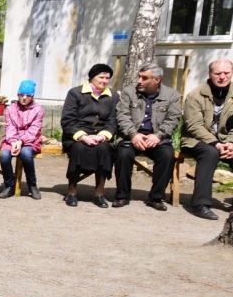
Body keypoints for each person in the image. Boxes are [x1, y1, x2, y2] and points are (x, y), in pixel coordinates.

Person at [113, 63, 182, 211]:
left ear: (157, 80)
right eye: (139, 76)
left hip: (157, 138)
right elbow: (122, 115)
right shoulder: (129, 92)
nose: (139, 80)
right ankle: (122, 196)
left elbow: (173, 119)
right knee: (123, 154)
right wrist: (133, 134)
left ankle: (156, 197)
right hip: (131, 136)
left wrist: (158, 135)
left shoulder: (172, 95)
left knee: (167, 155)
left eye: (144, 78)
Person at [180, 57, 233, 220]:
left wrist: (230, 142)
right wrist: (216, 143)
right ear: (210, 74)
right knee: (210, 153)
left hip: (226, 141)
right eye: (218, 73)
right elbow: (194, 125)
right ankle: (200, 204)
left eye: (226, 73)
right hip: (196, 140)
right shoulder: (195, 95)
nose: (222, 77)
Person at [60, 63, 118, 208]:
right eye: (101, 77)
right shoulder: (75, 93)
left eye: (107, 78)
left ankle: (99, 194)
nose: (104, 81)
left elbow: (113, 121)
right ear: (92, 77)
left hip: (100, 136)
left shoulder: (113, 96)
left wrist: (102, 136)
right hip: (76, 135)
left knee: (104, 149)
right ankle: (72, 192)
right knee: (79, 148)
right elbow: (67, 120)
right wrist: (83, 136)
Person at [0, 80, 44, 199]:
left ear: (32, 96)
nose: (24, 98)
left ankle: (32, 184)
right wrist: (13, 141)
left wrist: (21, 141)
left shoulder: (38, 109)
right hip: (12, 139)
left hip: (30, 140)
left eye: (28, 95)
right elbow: (9, 127)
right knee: (4, 156)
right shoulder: (10, 109)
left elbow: (34, 129)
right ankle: (9, 185)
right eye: (21, 95)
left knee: (26, 154)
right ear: (18, 95)